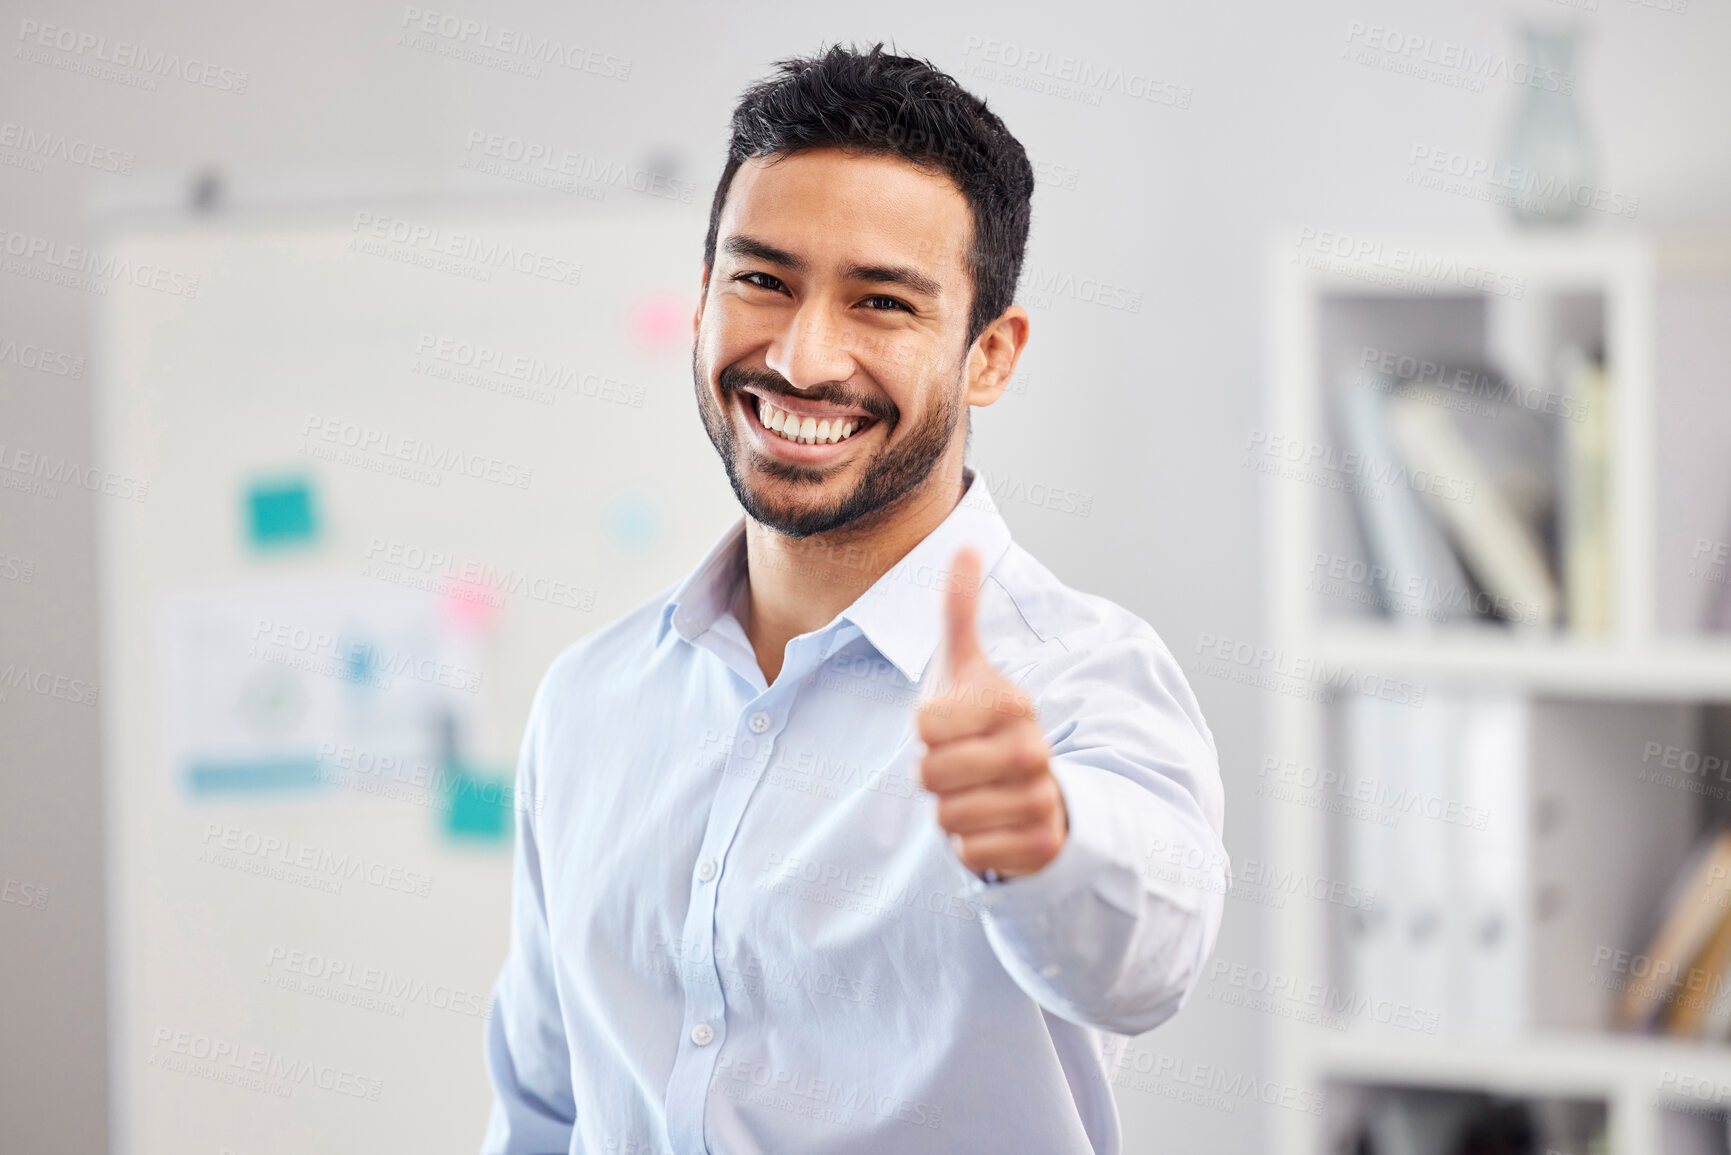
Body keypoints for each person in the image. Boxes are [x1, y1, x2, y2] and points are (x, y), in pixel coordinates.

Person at [481, 41, 1228, 1155]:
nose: (802, 356)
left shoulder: (1076, 677)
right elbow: (543, 1109)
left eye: (882, 302)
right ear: (701, 300)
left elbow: (1147, 961)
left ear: (990, 356)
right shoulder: (590, 700)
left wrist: (1044, 837)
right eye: (762, 279)